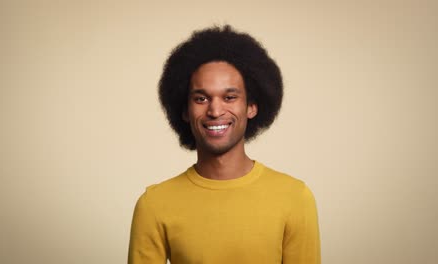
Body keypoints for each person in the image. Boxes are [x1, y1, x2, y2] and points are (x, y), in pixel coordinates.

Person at [128, 25, 321, 264]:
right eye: (201, 98)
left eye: (230, 97)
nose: (215, 110)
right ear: (185, 110)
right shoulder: (154, 204)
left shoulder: (295, 198)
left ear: (252, 106)